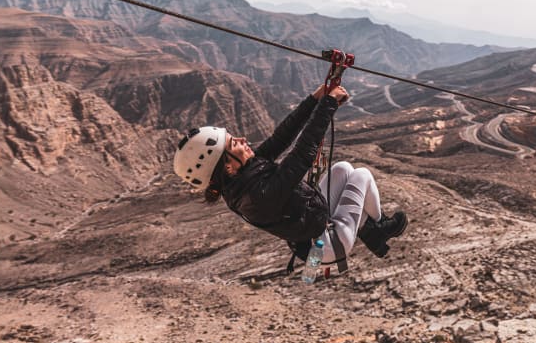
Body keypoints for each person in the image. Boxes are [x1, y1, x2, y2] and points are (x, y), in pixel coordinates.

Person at [172, 83, 409, 271]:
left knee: (343, 169)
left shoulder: (243, 178)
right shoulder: (256, 196)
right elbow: (300, 156)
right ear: (227, 167)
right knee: (362, 175)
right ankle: (379, 229)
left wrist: (315, 99)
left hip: (315, 230)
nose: (243, 141)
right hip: (324, 248)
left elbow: (282, 138)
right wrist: (327, 104)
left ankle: (368, 231)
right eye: (234, 143)